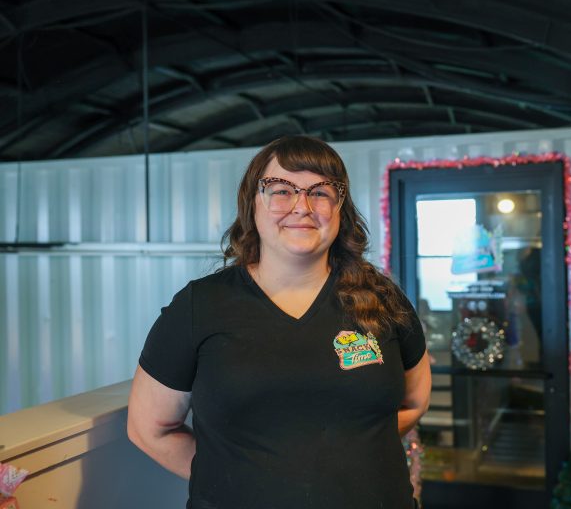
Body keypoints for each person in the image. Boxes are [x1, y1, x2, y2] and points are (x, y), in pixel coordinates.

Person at [127, 136, 431, 508]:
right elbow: (149, 429)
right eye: (281, 190)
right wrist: (240, 482)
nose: (302, 207)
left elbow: (414, 402)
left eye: (320, 192)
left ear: (340, 209)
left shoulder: (382, 299)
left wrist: (344, 464)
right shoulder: (199, 306)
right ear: (252, 204)